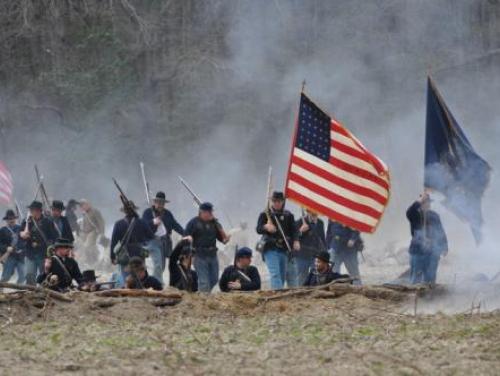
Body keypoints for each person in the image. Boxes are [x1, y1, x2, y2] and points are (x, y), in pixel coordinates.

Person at [256, 191, 300, 290]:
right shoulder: (265, 214)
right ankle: (278, 294)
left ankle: (278, 291)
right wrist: (266, 227)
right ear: (271, 201)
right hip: (270, 248)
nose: (276, 203)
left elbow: (294, 230)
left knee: (282, 275)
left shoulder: (289, 215)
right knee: (275, 274)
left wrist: (296, 241)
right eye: (274, 201)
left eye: (279, 201)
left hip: (283, 249)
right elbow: (258, 229)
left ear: (283, 202)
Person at [184, 202, 230, 293]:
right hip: (199, 255)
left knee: (214, 279)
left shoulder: (214, 223)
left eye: (211, 212)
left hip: (212, 254)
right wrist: (188, 254)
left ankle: (203, 294)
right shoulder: (193, 223)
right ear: (202, 212)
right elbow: (186, 237)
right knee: (204, 282)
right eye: (209, 212)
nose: (211, 214)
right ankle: (203, 299)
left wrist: (225, 238)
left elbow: (222, 239)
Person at [142, 191, 184, 285]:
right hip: (153, 241)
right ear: (155, 202)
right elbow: (143, 226)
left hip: (165, 242)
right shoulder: (148, 212)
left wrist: (185, 233)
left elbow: (175, 225)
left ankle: (154, 282)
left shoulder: (168, 214)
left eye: (162, 202)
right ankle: (157, 285)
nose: (160, 204)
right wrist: (153, 222)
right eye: (158, 202)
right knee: (158, 265)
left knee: (162, 266)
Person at [406, 192, 448, 284]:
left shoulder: (434, 216)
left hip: (432, 252)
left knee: (430, 278)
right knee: (415, 279)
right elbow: (409, 211)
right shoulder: (415, 215)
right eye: (424, 202)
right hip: (417, 251)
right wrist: (420, 200)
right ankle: (415, 296)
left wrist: (444, 247)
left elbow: (440, 231)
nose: (427, 204)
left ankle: (429, 297)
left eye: (428, 202)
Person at [110, 201, 153, 287]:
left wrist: (112, 256)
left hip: (124, 254)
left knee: (125, 277)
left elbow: (114, 241)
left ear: (125, 211)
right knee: (140, 275)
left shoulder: (118, 224)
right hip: (139, 253)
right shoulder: (142, 222)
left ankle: (126, 290)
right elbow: (150, 236)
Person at [20, 201, 58, 285]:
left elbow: (55, 237)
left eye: (35, 210)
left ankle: (44, 292)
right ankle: (30, 293)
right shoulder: (26, 221)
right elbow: (20, 234)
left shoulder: (47, 222)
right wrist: (23, 234)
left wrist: (51, 248)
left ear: (39, 211)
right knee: (29, 275)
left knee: (44, 275)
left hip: (43, 253)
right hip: (30, 253)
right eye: (32, 210)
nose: (33, 212)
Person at [326, 220, 364, 285]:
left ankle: (358, 288)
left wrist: (353, 239)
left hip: (349, 250)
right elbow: (329, 232)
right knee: (334, 272)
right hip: (336, 248)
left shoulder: (351, 215)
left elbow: (357, 229)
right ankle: (335, 289)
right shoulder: (332, 217)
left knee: (354, 272)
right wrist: (327, 247)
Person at [296, 209, 326, 285]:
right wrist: (300, 231)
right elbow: (294, 238)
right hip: (302, 254)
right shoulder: (300, 222)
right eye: (312, 215)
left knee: (316, 275)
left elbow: (322, 239)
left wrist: (325, 252)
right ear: (308, 212)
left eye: (315, 215)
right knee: (302, 276)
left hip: (315, 254)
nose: (314, 217)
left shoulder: (320, 223)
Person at [0, 209, 26, 283]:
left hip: (20, 256)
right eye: (9, 219)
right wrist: (6, 248)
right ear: (6, 220)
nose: (11, 220)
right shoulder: (2, 230)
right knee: (6, 277)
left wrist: (22, 249)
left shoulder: (20, 228)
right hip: (9, 256)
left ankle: (18, 291)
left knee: (23, 276)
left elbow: (24, 241)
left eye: (13, 218)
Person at [78, 199, 105, 265]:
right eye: (81, 206)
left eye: (83, 205)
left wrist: (102, 233)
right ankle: (91, 260)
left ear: (87, 204)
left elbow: (101, 222)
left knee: (87, 246)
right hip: (85, 233)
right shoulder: (85, 213)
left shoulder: (95, 211)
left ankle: (92, 260)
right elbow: (84, 223)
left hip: (93, 231)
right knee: (87, 247)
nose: (82, 207)